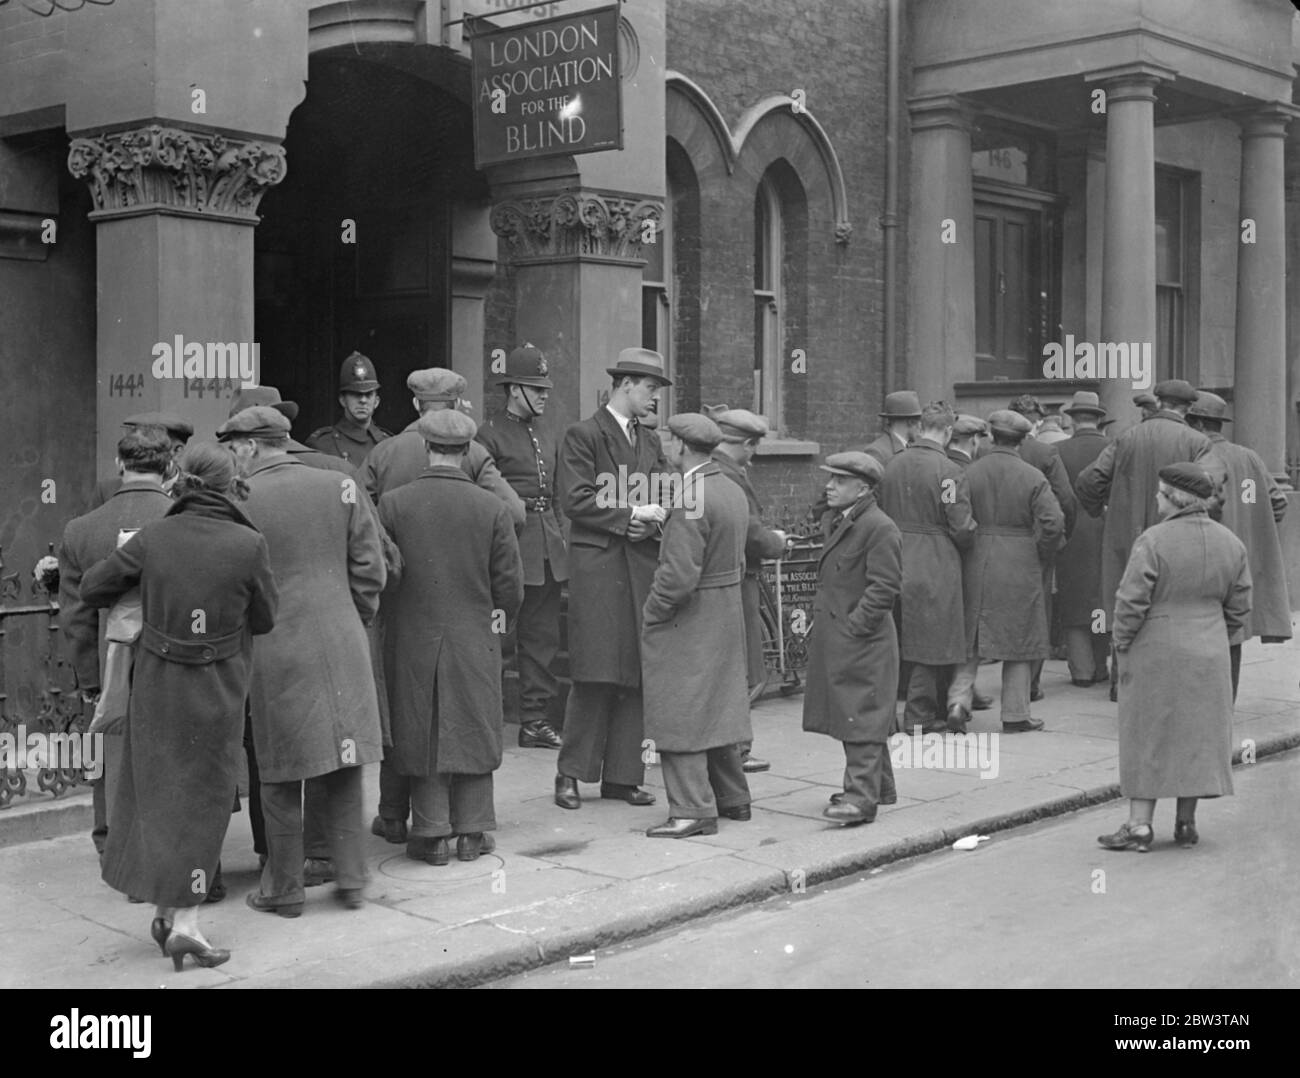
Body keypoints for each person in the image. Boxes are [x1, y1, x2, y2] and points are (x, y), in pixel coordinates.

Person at [79, 443, 277, 970]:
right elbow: (266, 618)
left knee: (163, 797)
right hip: (218, 691)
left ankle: (169, 914)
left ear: (182, 482)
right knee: (204, 801)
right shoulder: (248, 542)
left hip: (159, 690)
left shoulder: (155, 536)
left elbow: (94, 585)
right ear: (230, 486)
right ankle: (186, 927)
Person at [220, 406, 386, 916]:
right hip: (343, 640)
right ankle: (353, 882)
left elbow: (231, 582)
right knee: (345, 762)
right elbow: (370, 567)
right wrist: (350, 615)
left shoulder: (237, 499)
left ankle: (285, 890)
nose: (232, 459)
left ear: (249, 446)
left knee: (279, 770)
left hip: (275, 647)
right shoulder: (338, 485)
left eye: (233, 449)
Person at [360, 367, 524, 844]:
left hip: (410, 629)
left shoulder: (391, 495)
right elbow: (509, 582)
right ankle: (473, 830)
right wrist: (497, 621)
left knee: (414, 723)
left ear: (426, 441)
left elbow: (380, 564)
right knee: (472, 722)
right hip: (473, 630)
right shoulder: (489, 505)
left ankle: (424, 829)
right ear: (465, 448)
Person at [1097, 463, 1251, 852]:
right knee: (1196, 735)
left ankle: (1139, 826)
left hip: (1156, 649)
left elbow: (1131, 602)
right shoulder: (1231, 543)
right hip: (1210, 648)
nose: (1155, 498)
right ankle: (1185, 824)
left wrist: (1121, 644)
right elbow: (1240, 606)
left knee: (1147, 734)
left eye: (1160, 493)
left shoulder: (1153, 541)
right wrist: (1216, 631)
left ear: (1173, 499)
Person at [553, 347, 670, 811]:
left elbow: (665, 492)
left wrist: (654, 518)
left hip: (638, 565)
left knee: (635, 674)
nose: (655, 399)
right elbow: (575, 500)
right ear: (625, 385)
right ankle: (569, 775)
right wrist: (631, 514)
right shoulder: (583, 435)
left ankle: (623, 777)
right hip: (600, 570)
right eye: (650, 389)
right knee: (594, 671)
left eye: (657, 390)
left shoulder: (651, 441)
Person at [59, 427, 178, 870]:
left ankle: (114, 847)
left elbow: (76, 616)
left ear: (119, 466)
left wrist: (90, 680)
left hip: (112, 658)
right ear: (167, 466)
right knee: (171, 755)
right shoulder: (182, 517)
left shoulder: (81, 529)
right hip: (176, 657)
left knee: (112, 750)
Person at [641, 414, 753, 837]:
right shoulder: (729, 486)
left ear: (681, 447)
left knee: (680, 709)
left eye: (670, 441)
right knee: (717, 705)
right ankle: (733, 799)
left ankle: (692, 808)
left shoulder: (690, 495)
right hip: (725, 608)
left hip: (691, 615)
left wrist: (654, 611)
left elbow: (677, 578)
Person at [1076, 379, 1213, 700]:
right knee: (1169, 607)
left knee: (1127, 601)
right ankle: (1161, 684)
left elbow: (1089, 480)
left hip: (1126, 536)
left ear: (1159, 402)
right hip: (1177, 537)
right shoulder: (1197, 442)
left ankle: (1120, 682)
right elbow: (1213, 493)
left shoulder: (1126, 437)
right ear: (1189, 408)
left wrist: (1104, 511)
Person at [475, 345, 567, 751]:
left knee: (542, 637)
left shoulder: (548, 431)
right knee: (499, 637)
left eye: (545, 387)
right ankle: (487, 720)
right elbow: (486, 499)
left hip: (547, 546)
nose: (544, 395)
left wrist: (561, 535)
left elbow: (559, 493)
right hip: (510, 547)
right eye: (535, 388)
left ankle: (534, 720)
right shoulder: (488, 432)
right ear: (513, 389)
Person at [949, 411, 1064, 732]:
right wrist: (1040, 550)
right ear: (1023, 440)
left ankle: (958, 702)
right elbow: (1053, 523)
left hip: (976, 558)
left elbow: (957, 519)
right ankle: (1015, 714)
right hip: (1020, 561)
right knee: (1020, 636)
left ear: (992, 437)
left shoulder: (968, 473)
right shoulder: (1033, 477)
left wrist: (971, 541)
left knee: (972, 635)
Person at [803, 452, 902, 825]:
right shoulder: (846, 520)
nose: (829, 486)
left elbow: (885, 587)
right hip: (849, 637)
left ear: (863, 489)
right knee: (861, 711)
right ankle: (880, 787)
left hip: (864, 640)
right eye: (830, 479)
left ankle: (861, 800)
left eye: (839, 481)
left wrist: (854, 627)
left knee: (861, 715)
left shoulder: (878, 527)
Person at [878, 402, 976, 733]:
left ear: (920, 427)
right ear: (948, 432)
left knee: (896, 634)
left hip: (894, 553)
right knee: (931, 637)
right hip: (935, 558)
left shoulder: (892, 464)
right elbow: (960, 525)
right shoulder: (948, 471)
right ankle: (919, 715)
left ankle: (886, 713)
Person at [1187, 390, 1291, 697]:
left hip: (1206, 556)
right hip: (1243, 560)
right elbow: (1278, 503)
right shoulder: (1249, 456)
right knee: (1232, 631)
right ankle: (1225, 700)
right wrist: (1253, 526)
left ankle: (1206, 702)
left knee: (1202, 628)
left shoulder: (1197, 456)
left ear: (1196, 422)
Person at [709, 408, 790, 772]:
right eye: (752, 447)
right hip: (738, 579)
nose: (753, 456)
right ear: (743, 444)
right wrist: (778, 542)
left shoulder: (715, 470)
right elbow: (751, 533)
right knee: (740, 667)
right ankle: (736, 750)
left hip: (724, 579)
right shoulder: (729, 475)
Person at [1006, 394, 1077, 702]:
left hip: (991, 545)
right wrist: (1060, 539)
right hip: (1035, 544)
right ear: (1034, 421)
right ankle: (1030, 684)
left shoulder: (982, 451)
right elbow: (1066, 500)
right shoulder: (1044, 452)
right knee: (1037, 612)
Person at [1054, 391, 1112, 687]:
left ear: (1072, 419)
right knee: (1100, 598)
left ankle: (1082, 670)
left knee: (1073, 601)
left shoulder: (1057, 450)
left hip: (1071, 531)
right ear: (1099, 419)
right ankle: (1101, 666)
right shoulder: (1112, 447)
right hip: (1105, 530)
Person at [88, 413, 193, 508]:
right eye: (135, 445)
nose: (142, 454)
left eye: (155, 449)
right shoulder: (106, 492)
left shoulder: (196, 493)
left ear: (177, 451)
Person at [305, 351, 392, 465]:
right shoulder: (322, 444)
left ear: (376, 401)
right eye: (356, 394)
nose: (363, 400)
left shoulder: (389, 444)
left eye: (368, 394)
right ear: (342, 400)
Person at [864, 391, 923, 465]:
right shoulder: (877, 452)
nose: (920, 427)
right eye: (919, 421)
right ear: (911, 422)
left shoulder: (912, 448)